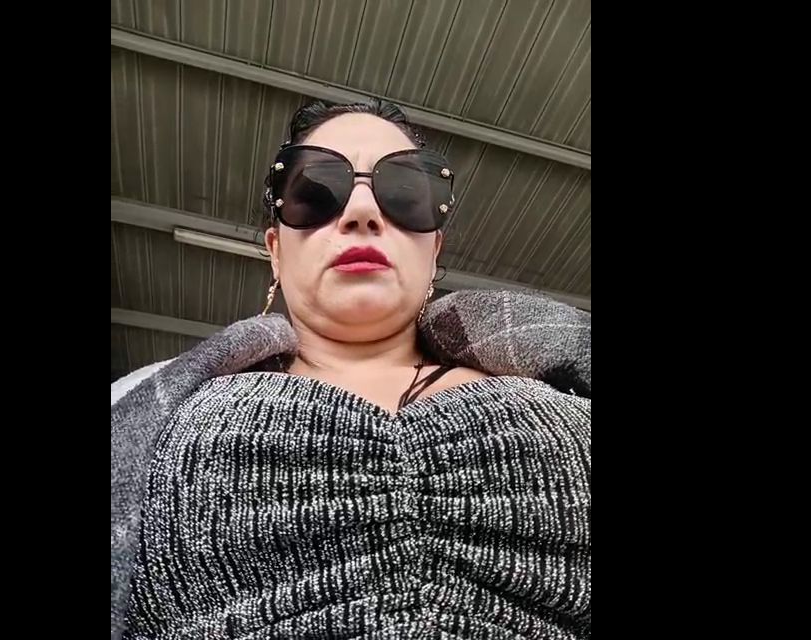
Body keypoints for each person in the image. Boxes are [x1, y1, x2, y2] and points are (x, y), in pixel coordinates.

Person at [112, 99, 591, 639]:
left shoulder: (560, 384)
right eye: (315, 193)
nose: (361, 211)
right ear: (276, 250)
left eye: (405, 194)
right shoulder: (154, 405)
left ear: (434, 249)